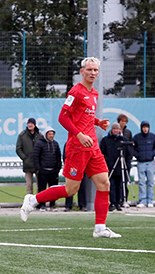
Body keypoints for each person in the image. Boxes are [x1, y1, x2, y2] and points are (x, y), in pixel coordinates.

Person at [20, 57, 121, 238]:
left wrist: (98, 122)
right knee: (70, 189)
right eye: (89, 69)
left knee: (104, 184)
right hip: (77, 147)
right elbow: (63, 117)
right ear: (82, 71)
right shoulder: (75, 92)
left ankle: (100, 228)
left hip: (92, 147)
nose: (92, 73)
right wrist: (79, 135)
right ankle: (33, 200)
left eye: (95, 70)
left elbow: (84, 117)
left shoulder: (95, 94)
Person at [100, 122, 133, 211]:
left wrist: (127, 164)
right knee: (111, 186)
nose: (116, 130)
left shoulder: (124, 140)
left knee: (120, 185)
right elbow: (102, 153)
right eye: (114, 129)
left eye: (117, 129)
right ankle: (112, 203)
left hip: (121, 166)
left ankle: (119, 203)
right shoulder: (106, 140)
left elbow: (129, 153)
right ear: (112, 129)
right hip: (110, 167)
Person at [32, 128, 62, 211]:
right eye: (50, 134)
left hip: (53, 171)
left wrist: (58, 168)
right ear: (46, 134)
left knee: (53, 189)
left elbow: (58, 157)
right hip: (43, 170)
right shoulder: (39, 144)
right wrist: (38, 168)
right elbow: (35, 156)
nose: (51, 136)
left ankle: (52, 205)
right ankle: (41, 205)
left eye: (52, 134)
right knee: (42, 189)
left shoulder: (55, 144)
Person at [132, 120, 155, 208]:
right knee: (141, 182)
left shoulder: (153, 137)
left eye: (146, 127)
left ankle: (150, 200)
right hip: (141, 162)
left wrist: (152, 155)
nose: (145, 129)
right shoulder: (136, 137)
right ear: (141, 128)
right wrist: (138, 156)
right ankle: (142, 200)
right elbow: (133, 148)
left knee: (150, 182)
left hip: (150, 162)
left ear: (148, 128)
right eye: (144, 127)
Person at [16, 117, 42, 195]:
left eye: (32, 123)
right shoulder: (22, 135)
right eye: (28, 123)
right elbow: (18, 149)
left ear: (34, 125)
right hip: (27, 164)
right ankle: (29, 203)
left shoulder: (39, 135)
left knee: (40, 185)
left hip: (38, 164)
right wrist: (25, 158)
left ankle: (39, 202)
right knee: (29, 185)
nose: (30, 125)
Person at [63, 142, 87, 212]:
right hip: (72, 168)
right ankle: (68, 205)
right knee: (70, 187)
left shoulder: (84, 143)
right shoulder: (68, 143)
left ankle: (82, 205)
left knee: (82, 187)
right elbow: (65, 156)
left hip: (82, 168)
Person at [116, 113, 133, 207]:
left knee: (125, 180)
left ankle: (125, 199)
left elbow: (130, 145)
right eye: (122, 121)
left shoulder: (128, 133)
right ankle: (116, 200)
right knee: (117, 181)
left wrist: (129, 157)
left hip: (126, 160)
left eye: (125, 121)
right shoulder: (115, 131)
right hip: (117, 160)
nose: (123, 123)